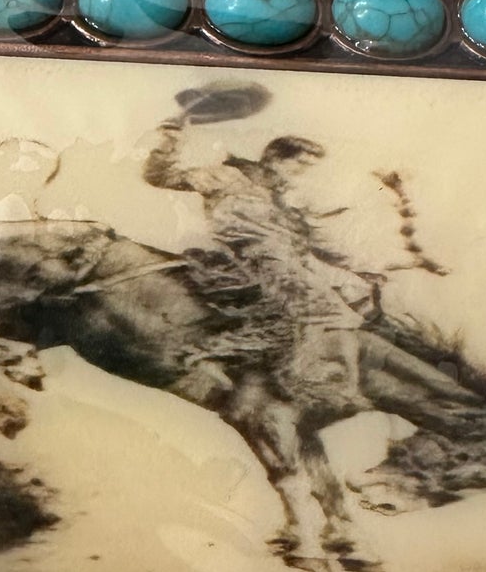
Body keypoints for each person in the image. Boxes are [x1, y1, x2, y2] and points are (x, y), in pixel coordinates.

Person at [142, 105, 376, 396]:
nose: (302, 173)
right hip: (247, 259)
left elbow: (317, 240)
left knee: (359, 294)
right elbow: (160, 177)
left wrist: (364, 269)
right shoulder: (228, 177)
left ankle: (285, 361)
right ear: (275, 158)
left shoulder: (285, 196)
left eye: (308, 168)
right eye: (299, 165)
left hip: (290, 261)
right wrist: (170, 142)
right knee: (322, 308)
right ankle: (218, 355)